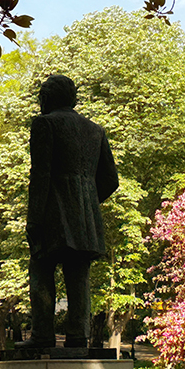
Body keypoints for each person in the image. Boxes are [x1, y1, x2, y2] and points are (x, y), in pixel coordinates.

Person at [22, 74, 119, 349]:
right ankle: (78, 337)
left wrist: (34, 219)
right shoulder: (95, 130)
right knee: (78, 276)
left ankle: (42, 335)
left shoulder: (44, 124)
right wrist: (86, 201)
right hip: (85, 219)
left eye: (42, 95)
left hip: (52, 213)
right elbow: (111, 180)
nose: (40, 100)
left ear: (51, 97)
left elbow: (40, 174)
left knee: (41, 267)